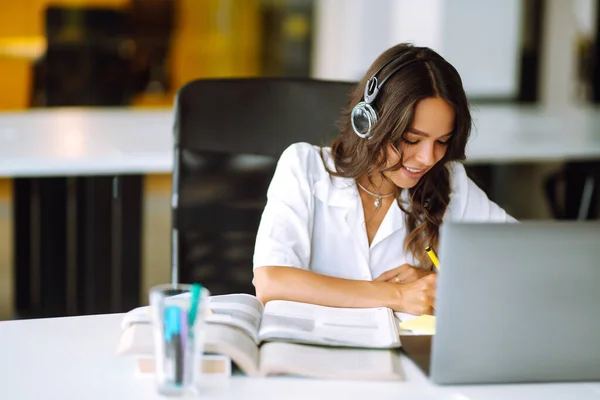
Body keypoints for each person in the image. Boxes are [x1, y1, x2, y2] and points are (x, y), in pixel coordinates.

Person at [252, 43, 515, 315]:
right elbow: (272, 281)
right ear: (368, 122)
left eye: (442, 141)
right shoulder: (305, 167)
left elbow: (525, 261)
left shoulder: (450, 184)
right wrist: (397, 295)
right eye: (412, 140)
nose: (427, 158)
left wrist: (443, 285)